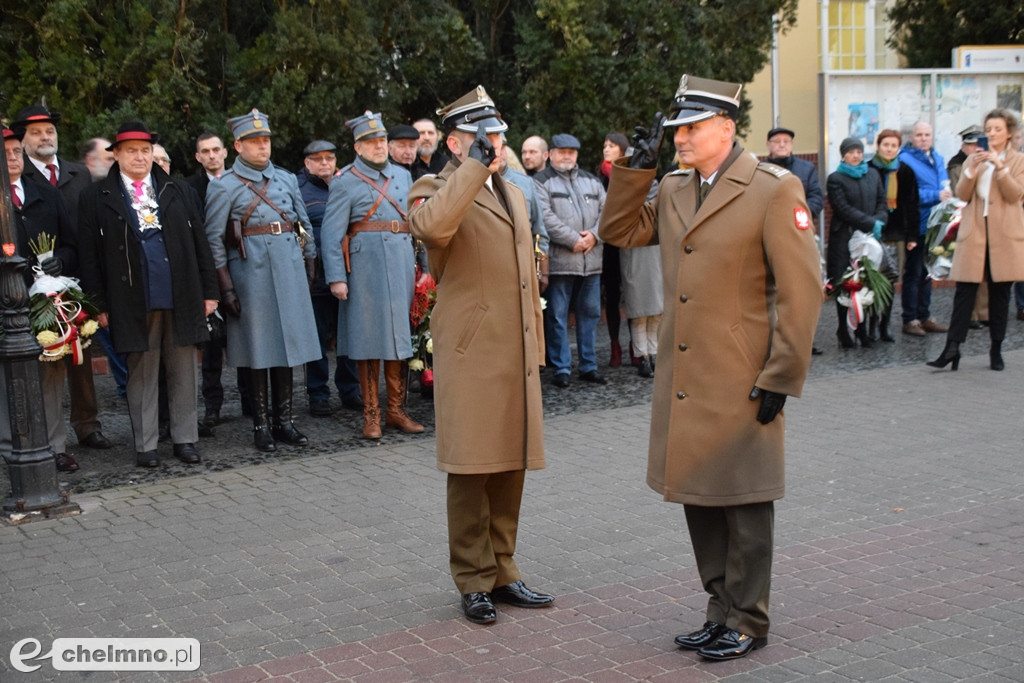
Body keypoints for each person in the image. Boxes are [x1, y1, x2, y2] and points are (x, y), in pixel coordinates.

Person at [598, 75, 822, 661]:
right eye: (676, 131)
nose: (680, 139)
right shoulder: (673, 187)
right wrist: (633, 172)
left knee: (744, 501)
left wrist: (781, 375)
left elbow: (802, 293)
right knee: (699, 495)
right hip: (686, 374)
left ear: (726, 128)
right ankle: (718, 609)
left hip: (742, 371)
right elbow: (618, 231)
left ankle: (749, 618)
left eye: (692, 129)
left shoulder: (773, 187)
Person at [408, 85, 552, 626]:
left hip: (514, 347)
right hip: (470, 350)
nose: (496, 143)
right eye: (483, 136)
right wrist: (471, 168)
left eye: (500, 134)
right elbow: (431, 228)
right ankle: (472, 579)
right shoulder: (433, 185)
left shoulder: (513, 191)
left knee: (510, 463)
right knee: (471, 468)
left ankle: (503, 569)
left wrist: (534, 343)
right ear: (454, 142)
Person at [78, 122, 218, 468]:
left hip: (180, 291)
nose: (140, 157)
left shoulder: (177, 188)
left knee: (183, 368)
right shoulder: (97, 197)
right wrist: (98, 303)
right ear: (117, 155)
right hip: (131, 297)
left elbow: (201, 243)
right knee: (141, 371)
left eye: (145, 151)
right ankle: (147, 445)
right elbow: (89, 256)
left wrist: (210, 290)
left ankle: (185, 440)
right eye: (131, 151)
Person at [203, 108, 320, 452]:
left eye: (266, 140)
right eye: (254, 142)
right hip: (250, 272)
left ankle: (285, 421)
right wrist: (224, 285)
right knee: (258, 349)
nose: (263, 147)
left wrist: (310, 258)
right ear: (237, 146)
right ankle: (261, 424)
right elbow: (213, 240)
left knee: (287, 348)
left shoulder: (284, 179)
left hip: (288, 268)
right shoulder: (224, 187)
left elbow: (302, 221)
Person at [11, 104, 113, 452]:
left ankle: (88, 424)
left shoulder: (76, 173)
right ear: (21, 141)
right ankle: (48, 438)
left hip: (74, 277)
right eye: (37, 132)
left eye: (50, 131)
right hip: (33, 288)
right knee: (49, 359)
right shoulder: (21, 177)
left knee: (80, 355)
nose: (45, 136)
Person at [321, 112, 424, 440]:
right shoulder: (345, 180)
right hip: (364, 271)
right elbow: (331, 233)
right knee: (367, 342)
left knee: (399, 341)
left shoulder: (404, 176)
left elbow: (416, 223)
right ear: (358, 147)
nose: (378, 147)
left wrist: (423, 267)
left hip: (400, 262)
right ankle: (372, 415)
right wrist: (337, 277)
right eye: (371, 142)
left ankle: (396, 410)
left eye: (381, 141)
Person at [2, 126, 80, 472]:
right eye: (5, 154)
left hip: (44, 298)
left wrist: (60, 260)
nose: (13, 159)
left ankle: (54, 445)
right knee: (8, 377)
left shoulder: (44, 194)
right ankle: (11, 447)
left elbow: (72, 244)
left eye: (17, 152)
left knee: (50, 371)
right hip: (6, 302)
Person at [928, 108, 1024, 372]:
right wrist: (972, 171)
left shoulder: (1018, 161)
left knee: (999, 294)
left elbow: (1016, 195)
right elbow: (963, 194)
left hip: (1004, 235)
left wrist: (1000, 167)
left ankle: (996, 349)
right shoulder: (973, 159)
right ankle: (952, 349)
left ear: (1009, 134)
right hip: (975, 233)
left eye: (997, 130)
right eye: (989, 129)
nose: (991, 134)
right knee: (964, 293)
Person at [534, 133, 607, 388]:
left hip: (591, 260)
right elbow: (545, 218)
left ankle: (589, 365)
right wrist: (574, 239)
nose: (567, 156)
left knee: (590, 314)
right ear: (551, 154)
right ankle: (562, 368)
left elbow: (606, 213)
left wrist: (594, 237)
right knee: (558, 315)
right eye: (561, 151)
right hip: (561, 260)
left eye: (571, 152)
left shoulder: (592, 181)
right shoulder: (541, 182)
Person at [297, 139, 362, 417]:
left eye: (330, 158)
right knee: (317, 339)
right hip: (315, 278)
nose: (325, 163)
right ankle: (318, 393)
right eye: (318, 159)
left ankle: (350, 390)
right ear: (307, 163)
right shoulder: (299, 191)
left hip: (347, 273)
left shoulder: (347, 185)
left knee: (348, 337)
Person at [826, 137, 888, 348]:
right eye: (851, 152)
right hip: (845, 238)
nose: (856, 155)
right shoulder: (835, 178)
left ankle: (862, 330)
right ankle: (843, 329)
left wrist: (879, 220)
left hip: (869, 239)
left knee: (866, 283)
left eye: (859, 152)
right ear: (843, 155)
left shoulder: (873, 174)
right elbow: (842, 208)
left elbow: (882, 201)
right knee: (846, 283)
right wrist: (870, 223)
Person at [899, 121, 951, 337]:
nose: (923, 138)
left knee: (928, 272)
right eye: (919, 135)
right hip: (917, 222)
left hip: (937, 224)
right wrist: (935, 196)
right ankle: (910, 319)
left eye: (927, 134)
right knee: (913, 273)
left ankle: (925, 315)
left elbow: (944, 185)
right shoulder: (905, 160)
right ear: (911, 137)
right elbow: (908, 194)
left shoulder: (937, 157)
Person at [498, 138, 549, 292]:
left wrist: (543, 271)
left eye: (501, 148)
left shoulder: (525, 183)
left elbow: (539, 230)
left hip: (522, 268)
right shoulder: (472, 183)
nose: (497, 153)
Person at [598, 132, 631, 367]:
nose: (606, 149)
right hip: (609, 242)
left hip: (628, 238)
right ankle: (614, 345)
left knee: (632, 292)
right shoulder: (599, 175)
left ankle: (636, 346)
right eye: (605, 146)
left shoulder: (629, 173)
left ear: (622, 149)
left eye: (612, 146)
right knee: (611, 296)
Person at [947, 125, 983, 190]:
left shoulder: (988, 162)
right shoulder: (956, 167)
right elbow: (958, 194)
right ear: (963, 147)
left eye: (979, 144)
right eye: (972, 145)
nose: (977, 148)